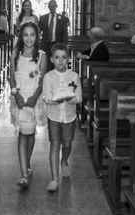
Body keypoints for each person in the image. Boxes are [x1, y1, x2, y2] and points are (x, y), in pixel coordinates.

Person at [10, 22, 46, 189]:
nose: (29, 38)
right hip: (20, 98)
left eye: (32, 35)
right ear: (21, 36)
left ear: (37, 36)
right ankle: (24, 174)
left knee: (30, 134)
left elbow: (41, 79)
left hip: (33, 99)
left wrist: (34, 97)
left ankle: (27, 164)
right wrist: (16, 95)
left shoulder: (41, 55)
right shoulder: (16, 54)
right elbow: (11, 78)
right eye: (26, 35)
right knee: (22, 135)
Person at [41, 42, 82, 193]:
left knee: (67, 144)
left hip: (69, 117)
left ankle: (64, 160)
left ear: (68, 59)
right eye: (57, 57)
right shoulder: (48, 77)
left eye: (64, 57)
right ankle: (54, 179)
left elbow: (79, 97)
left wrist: (70, 98)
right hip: (54, 116)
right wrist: (55, 99)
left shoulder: (74, 76)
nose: (60, 61)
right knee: (54, 144)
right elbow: (45, 96)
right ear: (52, 59)